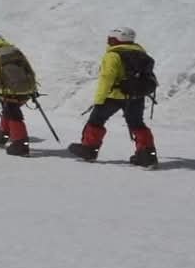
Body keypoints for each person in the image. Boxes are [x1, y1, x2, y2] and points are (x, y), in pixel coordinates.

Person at [67, 27, 159, 168]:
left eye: (110, 39)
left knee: (96, 120)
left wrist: (99, 99)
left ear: (116, 39)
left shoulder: (113, 55)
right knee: (137, 124)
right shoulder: (141, 53)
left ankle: (89, 149)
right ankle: (148, 155)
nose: (108, 42)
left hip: (113, 96)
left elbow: (106, 78)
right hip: (136, 96)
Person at [0, 34, 35, 156]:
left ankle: (21, 144)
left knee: (14, 115)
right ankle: (3, 134)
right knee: (8, 111)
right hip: (25, 90)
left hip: (8, 91)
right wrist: (33, 90)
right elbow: (29, 70)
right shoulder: (15, 51)